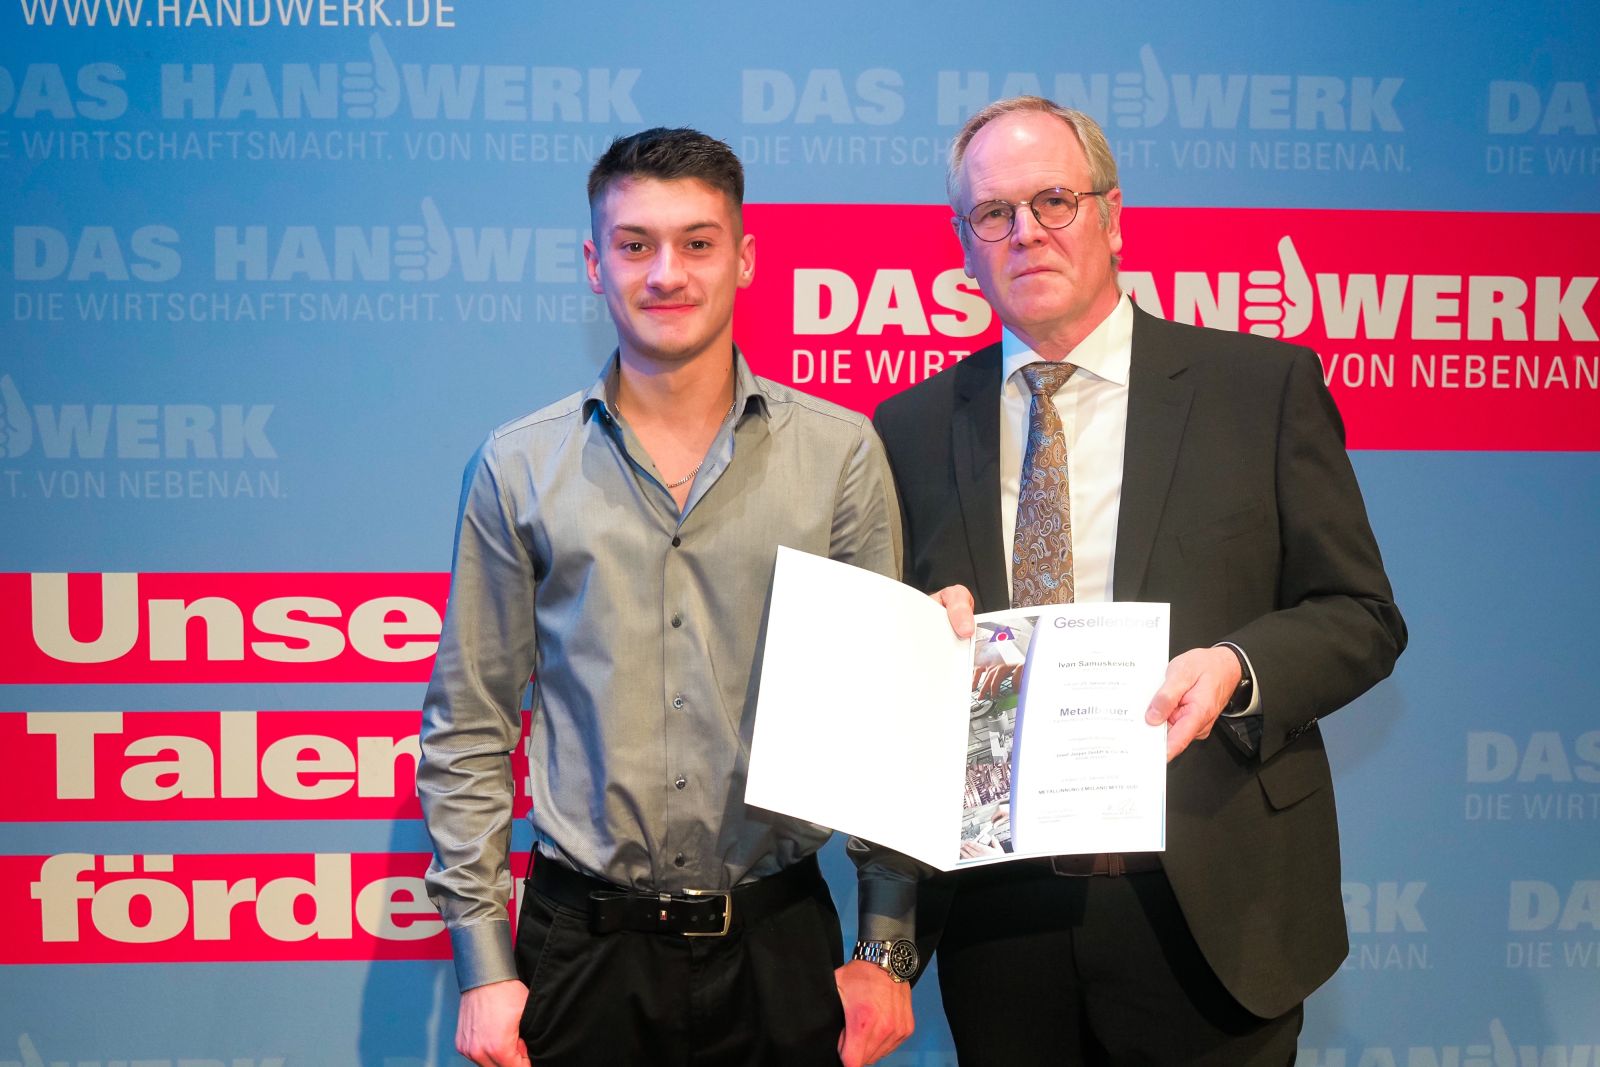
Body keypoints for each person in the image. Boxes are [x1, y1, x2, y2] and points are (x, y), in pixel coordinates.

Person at [873, 97, 1407, 1064]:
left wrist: (1237, 666)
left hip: (1208, 903)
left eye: (1053, 200)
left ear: (1112, 216)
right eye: (993, 212)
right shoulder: (908, 428)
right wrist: (920, 642)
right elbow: (895, 691)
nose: (1026, 231)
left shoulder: (1259, 389)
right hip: (1002, 920)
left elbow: (1361, 615)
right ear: (964, 248)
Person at [418, 127, 929, 1067]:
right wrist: (484, 966)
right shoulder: (518, 465)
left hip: (780, 947)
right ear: (594, 263)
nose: (666, 273)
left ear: (744, 259)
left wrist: (886, 944)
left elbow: (886, 719)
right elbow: (470, 725)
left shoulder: (840, 454)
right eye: (635, 244)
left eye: (697, 242)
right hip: (581, 953)